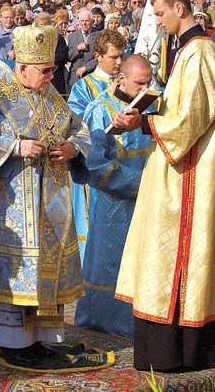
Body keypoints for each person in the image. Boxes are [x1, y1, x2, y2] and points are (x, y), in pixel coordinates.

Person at [0, 24, 90, 368]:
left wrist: (72, 148)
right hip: (10, 207)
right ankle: (13, 343)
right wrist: (14, 147)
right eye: (44, 70)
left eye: (52, 69)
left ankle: (40, 341)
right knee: (18, 274)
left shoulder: (51, 96)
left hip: (50, 205)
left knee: (46, 272)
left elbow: (79, 129)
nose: (51, 75)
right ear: (22, 69)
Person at [113, 0, 214, 371]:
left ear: (178, 7)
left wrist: (144, 122)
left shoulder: (199, 51)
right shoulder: (185, 51)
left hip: (187, 170)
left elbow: (191, 117)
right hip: (175, 164)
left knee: (175, 250)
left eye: (159, 14)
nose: (157, 21)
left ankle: (178, 352)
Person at [74, 54, 153, 339]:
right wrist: (140, 184)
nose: (145, 89)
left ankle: (143, 325)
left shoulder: (151, 108)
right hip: (113, 205)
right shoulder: (101, 109)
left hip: (150, 202)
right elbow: (95, 163)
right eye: (139, 83)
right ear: (122, 78)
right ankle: (105, 326)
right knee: (110, 264)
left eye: (148, 82)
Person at [68, 29, 127, 261]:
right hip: (95, 174)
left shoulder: (129, 83)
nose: (119, 62)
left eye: (122, 56)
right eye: (114, 57)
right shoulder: (83, 88)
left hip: (126, 167)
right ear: (98, 56)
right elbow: (78, 129)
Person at [66, 9, 96, 89]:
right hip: (75, 77)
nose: (84, 23)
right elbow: (68, 57)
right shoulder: (72, 36)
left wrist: (86, 67)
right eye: (82, 21)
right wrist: (77, 49)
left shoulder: (99, 36)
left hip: (92, 75)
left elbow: (100, 57)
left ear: (92, 22)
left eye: (87, 21)